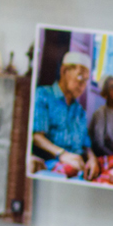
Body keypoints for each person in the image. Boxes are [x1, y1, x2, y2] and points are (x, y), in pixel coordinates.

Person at [32, 51, 98, 181]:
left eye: (86, 80)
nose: (83, 86)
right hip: (53, 163)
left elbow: (86, 146)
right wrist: (62, 154)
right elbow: (37, 136)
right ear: (64, 71)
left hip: (79, 165)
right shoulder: (43, 95)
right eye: (80, 77)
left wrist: (92, 159)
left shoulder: (79, 110)